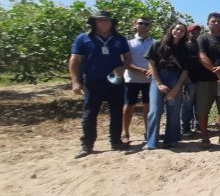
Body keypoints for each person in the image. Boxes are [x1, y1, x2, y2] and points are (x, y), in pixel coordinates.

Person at [70, 10, 132, 158]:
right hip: (93, 81)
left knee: (116, 112)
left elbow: (128, 58)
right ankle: (87, 145)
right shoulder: (83, 39)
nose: (104, 23)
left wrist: (122, 68)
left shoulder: (119, 39)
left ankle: (116, 141)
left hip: (115, 80)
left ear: (112, 23)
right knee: (90, 113)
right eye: (100, 20)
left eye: (107, 20)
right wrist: (75, 82)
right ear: (94, 22)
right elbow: (74, 61)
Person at [142, 23, 190, 150]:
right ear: (171, 29)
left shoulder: (185, 48)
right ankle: (151, 141)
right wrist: (158, 83)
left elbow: (185, 70)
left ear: (185, 33)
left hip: (176, 78)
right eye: (176, 29)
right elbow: (151, 63)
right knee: (155, 111)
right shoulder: (158, 44)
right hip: (158, 77)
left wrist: (176, 88)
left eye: (182, 30)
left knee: (174, 111)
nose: (179, 31)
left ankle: (172, 139)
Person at [197, 12, 220, 147]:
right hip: (205, 80)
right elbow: (202, 57)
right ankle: (205, 137)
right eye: (213, 21)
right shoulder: (202, 38)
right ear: (208, 23)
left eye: (219, 21)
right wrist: (216, 71)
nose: (217, 23)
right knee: (203, 110)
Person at [122, 17, 153, 145]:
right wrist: (142, 71)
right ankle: (125, 132)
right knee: (129, 106)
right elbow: (126, 62)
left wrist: (151, 72)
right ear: (135, 25)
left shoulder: (155, 43)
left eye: (147, 24)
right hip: (132, 79)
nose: (144, 26)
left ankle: (149, 132)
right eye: (141, 23)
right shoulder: (128, 43)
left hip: (150, 81)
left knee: (148, 106)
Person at [181, 24, 203, 135]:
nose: (195, 34)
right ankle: (185, 127)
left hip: (200, 78)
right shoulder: (184, 46)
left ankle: (198, 124)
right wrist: (185, 78)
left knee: (198, 104)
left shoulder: (200, 45)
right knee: (188, 104)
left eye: (197, 32)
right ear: (188, 33)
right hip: (189, 79)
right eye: (192, 32)